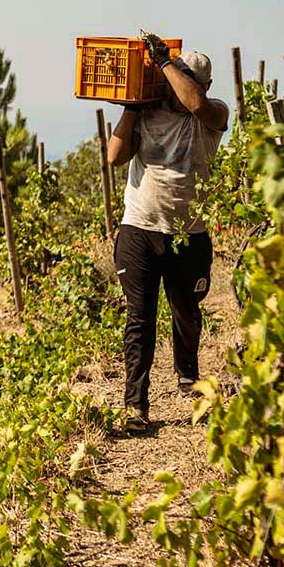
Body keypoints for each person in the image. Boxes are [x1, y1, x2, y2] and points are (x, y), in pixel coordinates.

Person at [106, 34, 229, 430]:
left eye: (185, 77)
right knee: (140, 319)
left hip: (189, 234)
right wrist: (131, 107)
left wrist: (163, 62)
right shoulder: (147, 112)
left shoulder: (213, 113)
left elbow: (195, 103)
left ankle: (189, 384)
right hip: (139, 229)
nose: (176, 84)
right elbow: (114, 157)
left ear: (204, 84)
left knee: (187, 315)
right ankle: (135, 407)